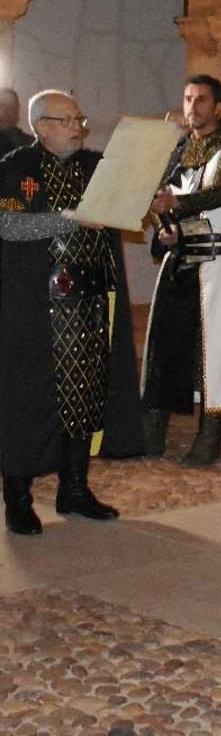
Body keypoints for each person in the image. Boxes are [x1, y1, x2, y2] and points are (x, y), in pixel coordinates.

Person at [0, 90, 127, 534]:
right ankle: (17, 499)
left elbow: (128, 199)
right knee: (27, 403)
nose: (78, 127)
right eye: (67, 119)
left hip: (87, 304)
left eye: (80, 118)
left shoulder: (95, 168)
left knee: (83, 397)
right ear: (41, 126)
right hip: (35, 306)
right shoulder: (15, 167)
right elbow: (8, 225)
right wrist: (68, 219)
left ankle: (74, 489)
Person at [141, 75, 221, 467]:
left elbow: (219, 193)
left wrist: (173, 203)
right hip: (180, 262)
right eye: (188, 98)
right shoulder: (180, 149)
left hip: (218, 266)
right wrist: (166, 229)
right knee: (166, 345)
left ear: (218, 106)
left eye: (202, 99)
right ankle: (151, 434)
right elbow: (159, 197)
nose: (193, 106)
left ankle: (210, 441)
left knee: (216, 354)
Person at [0, 87, 30, 154]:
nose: (4, 112)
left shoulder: (30, 146)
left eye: (10, 108)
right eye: (0, 106)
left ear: (17, 111)